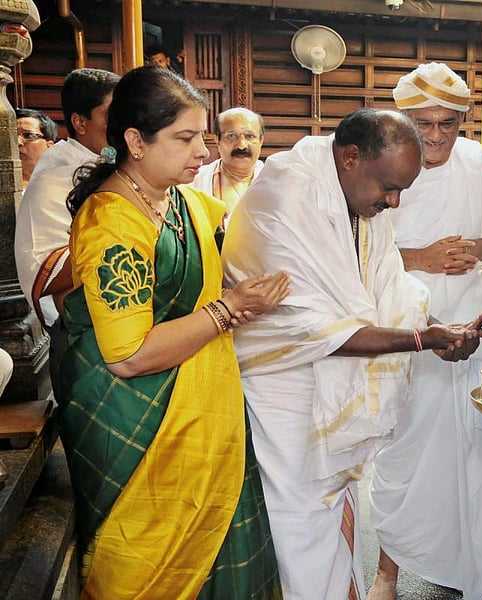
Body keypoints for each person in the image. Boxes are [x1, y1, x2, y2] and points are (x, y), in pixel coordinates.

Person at [221, 107, 482, 600]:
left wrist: (440, 335)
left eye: (401, 192)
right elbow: (312, 325)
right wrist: (420, 340)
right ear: (350, 157)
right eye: (388, 188)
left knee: (333, 515)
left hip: (330, 380)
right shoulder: (284, 198)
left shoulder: (360, 201)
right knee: (299, 521)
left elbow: (388, 291)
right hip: (283, 382)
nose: (392, 202)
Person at [58, 65, 289, 597]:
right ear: (135, 142)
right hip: (133, 417)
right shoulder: (111, 220)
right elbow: (129, 356)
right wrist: (228, 310)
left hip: (203, 410)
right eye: (185, 139)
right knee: (144, 566)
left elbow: (253, 237)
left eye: (202, 137)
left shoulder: (187, 204)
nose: (203, 153)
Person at [367, 62, 482, 600]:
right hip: (411, 325)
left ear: (463, 121)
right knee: (407, 450)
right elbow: (360, 251)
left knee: (472, 446)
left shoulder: (480, 169)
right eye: (423, 124)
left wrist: (477, 249)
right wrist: (422, 256)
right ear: (402, 120)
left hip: (475, 323)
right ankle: (388, 570)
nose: (434, 136)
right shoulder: (382, 166)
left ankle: (460, 565)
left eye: (446, 124)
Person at [15, 68, 120, 398]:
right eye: (112, 114)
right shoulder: (57, 175)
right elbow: (44, 266)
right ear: (80, 121)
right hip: (80, 333)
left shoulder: (108, 164)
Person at [191, 107, 265, 224]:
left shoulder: (276, 182)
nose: (241, 145)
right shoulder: (194, 181)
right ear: (217, 140)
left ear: (261, 140)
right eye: (231, 136)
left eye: (249, 136)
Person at [15, 107, 56, 188]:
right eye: (11, 135)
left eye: (28, 135)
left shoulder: (63, 185)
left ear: (49, 146)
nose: (18, 142)